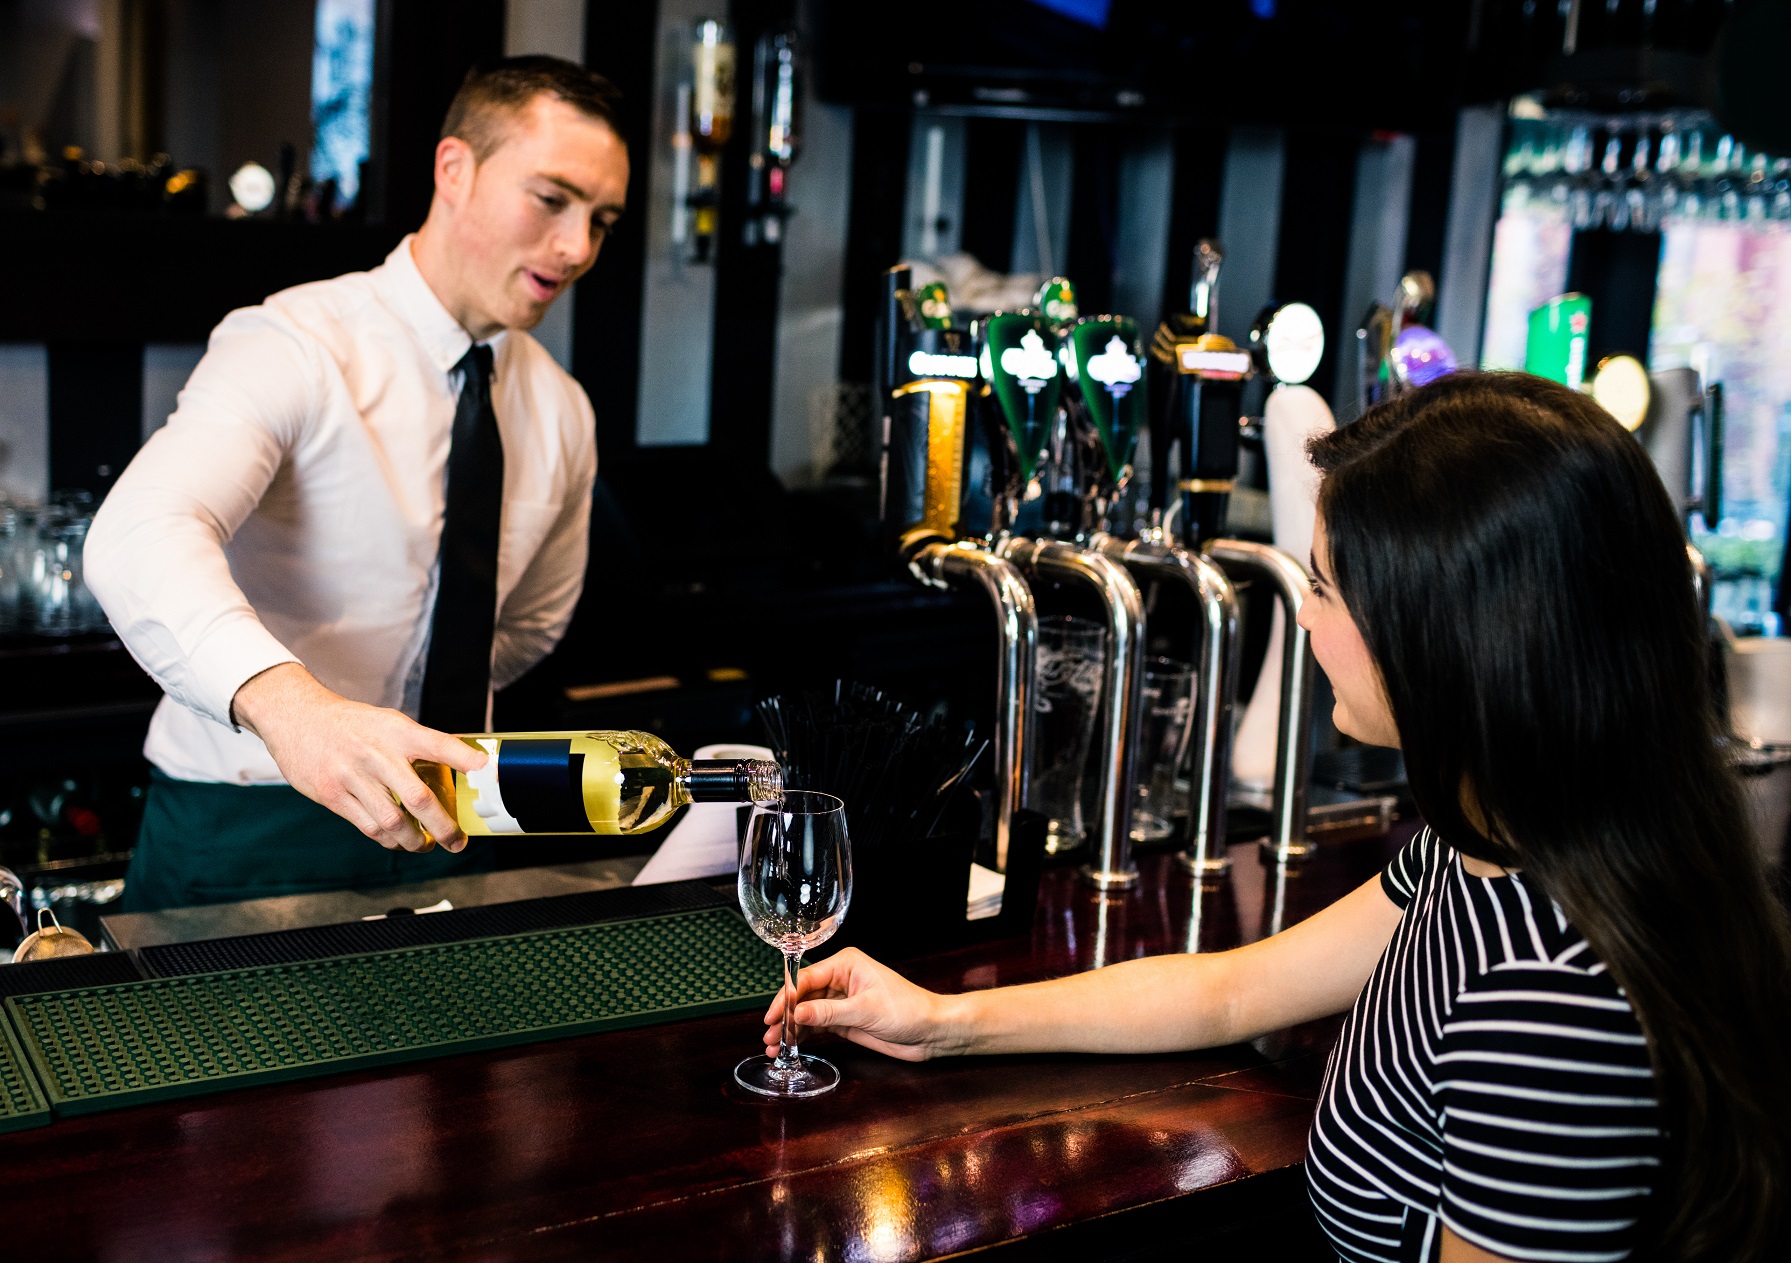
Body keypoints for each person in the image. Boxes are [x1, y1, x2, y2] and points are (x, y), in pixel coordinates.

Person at [764, 374, 1791, 1262]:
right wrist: (941, 1024)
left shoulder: (1551, 1005)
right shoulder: (1483, 848)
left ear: (1453, 643)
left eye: (1328, 586)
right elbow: (1233, 990)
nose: (1300, 612)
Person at [86, 57, 629, 912]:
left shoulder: (563, 411)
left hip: (458, 823)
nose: (577, 247)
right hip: (247, 819)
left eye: (601, 220)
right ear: (455, 170)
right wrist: (298, 712)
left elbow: (523, 628)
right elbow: (139, 533)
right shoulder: (293, 341)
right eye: (551, 200)